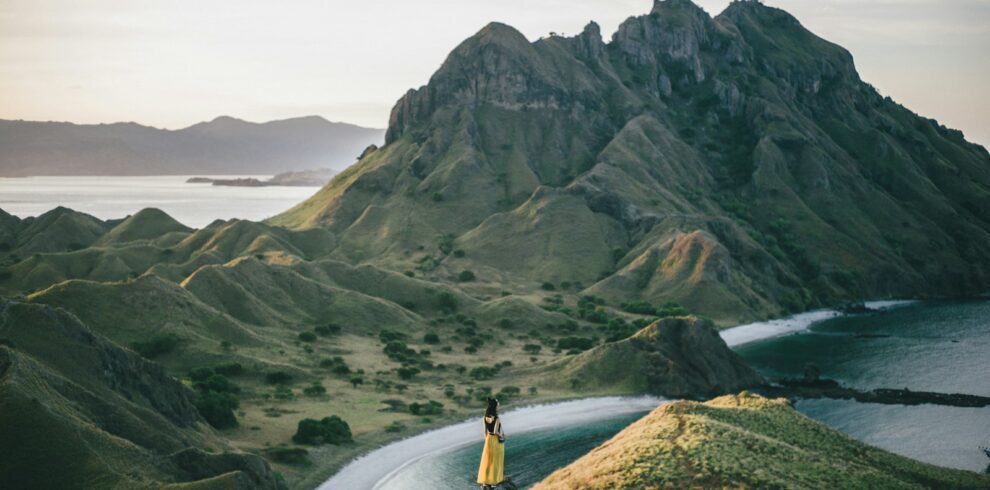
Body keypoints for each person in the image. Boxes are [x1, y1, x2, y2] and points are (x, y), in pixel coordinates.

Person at [476, 397, 505, 489]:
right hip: (495, 441)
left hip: (488, 439)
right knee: (495, 461)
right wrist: (502, 436)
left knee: (487, 461)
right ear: (495, 407)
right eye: (498, 405)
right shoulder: (496, 418)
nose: (499, 407)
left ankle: (485, 482)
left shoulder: (485, 417)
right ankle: (493, 482)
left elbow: (485, 431)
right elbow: (496, 432)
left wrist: (487, 440)